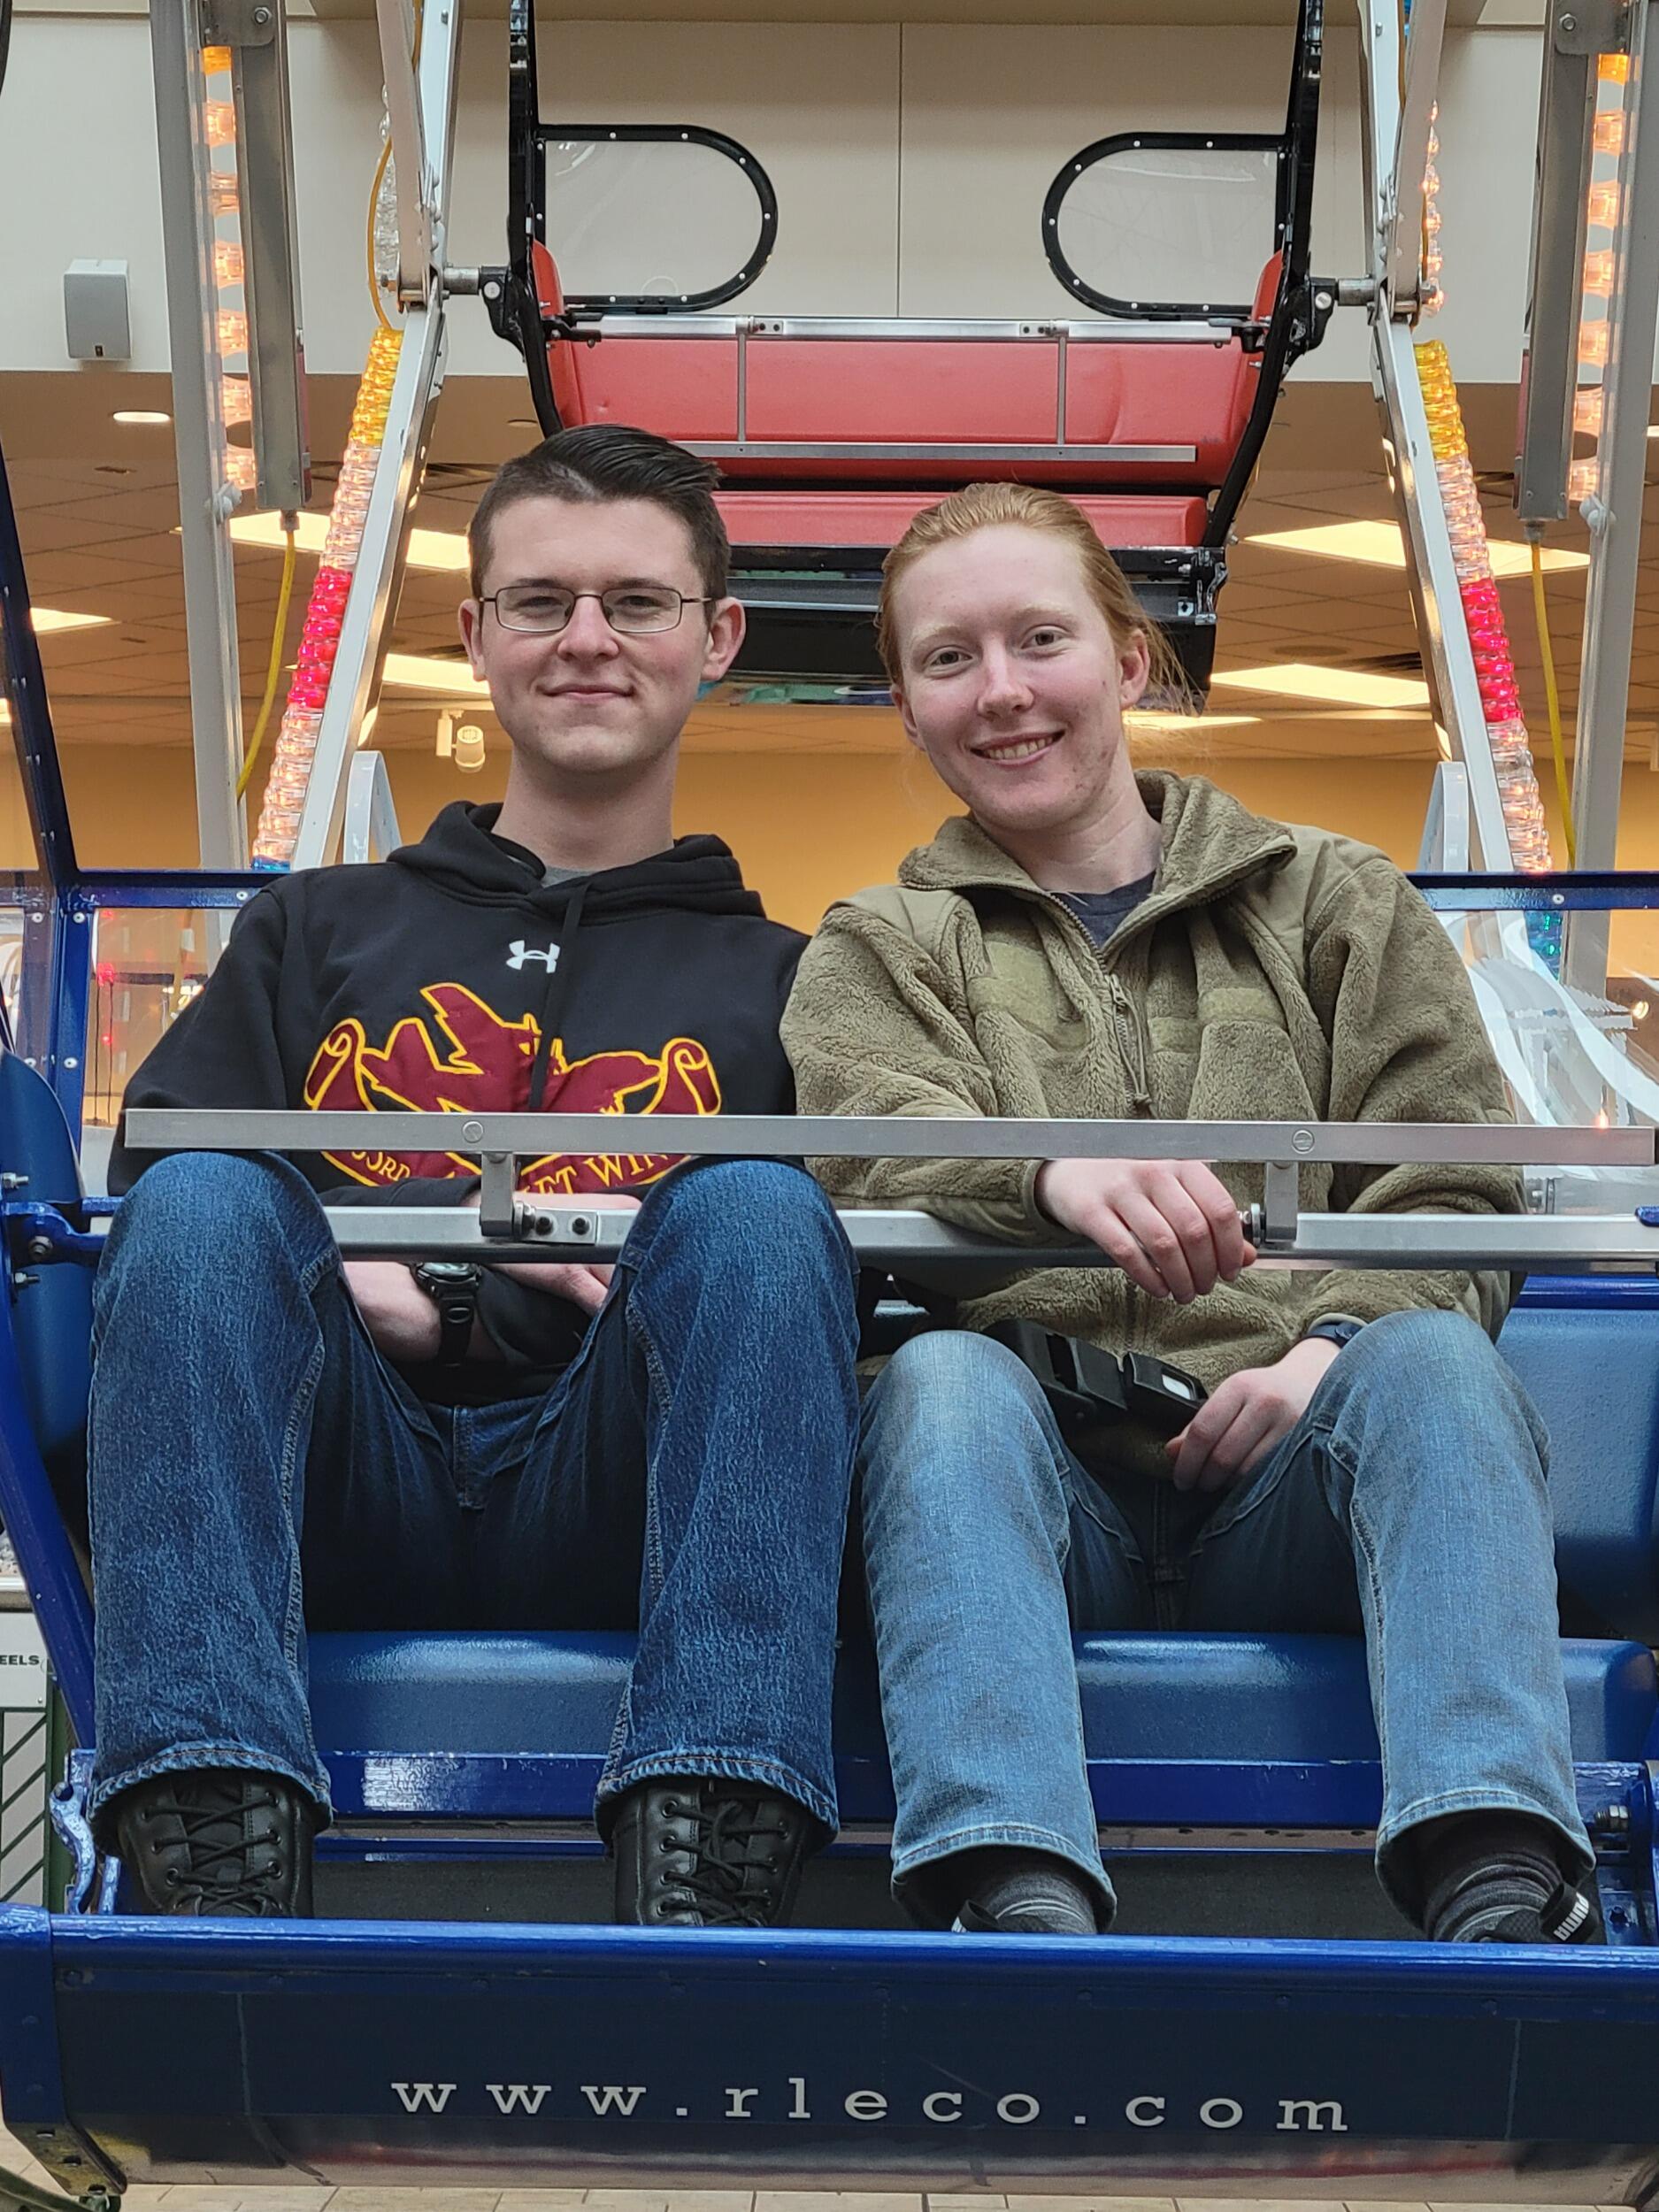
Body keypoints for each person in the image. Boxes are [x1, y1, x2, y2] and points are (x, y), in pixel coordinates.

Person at [781, 480, 1598, 1947]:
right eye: (949, 659)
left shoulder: (1339, 902)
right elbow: (864, 1144)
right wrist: (1044, 1169)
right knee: (943, 1381)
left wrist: (1330, 1347)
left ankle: (1499, 1878)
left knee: (1431, 1365)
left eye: (1042, 639)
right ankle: (1009, 1890)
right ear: (905, 704)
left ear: (1130, 660)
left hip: (1307, 1484)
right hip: (1041, 1485)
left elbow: (1456, 1180)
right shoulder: (880, 943)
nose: (1004, 692)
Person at [90, 424, 860, 1926]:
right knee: (192, 1204)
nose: (588, 640)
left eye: (637, 603)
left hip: (624, 1492)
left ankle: (717, 1827)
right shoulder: (314, 928)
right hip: (334, 1469)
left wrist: (470, 1299)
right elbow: (173, 1173)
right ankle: (206, 1835)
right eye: (540, 601)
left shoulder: (802, 981)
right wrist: (418, 1293)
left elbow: (817, 1315)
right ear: (477, 636)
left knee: (767, 1212)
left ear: (718, 639)